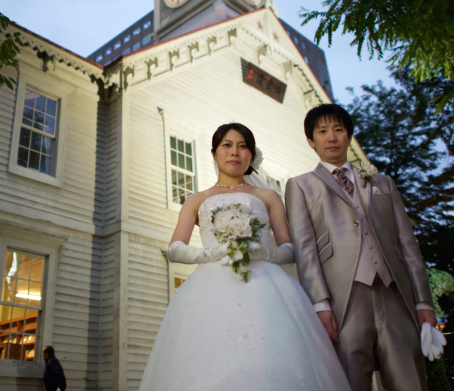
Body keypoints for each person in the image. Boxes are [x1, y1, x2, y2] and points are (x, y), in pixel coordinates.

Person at [139, 123, 351, 391]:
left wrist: (263, 251)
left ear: (251, 155)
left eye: (243, 147)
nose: (234, 153)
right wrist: (214, 252)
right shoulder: (196, 199)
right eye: (227, 145)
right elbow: (174, 249)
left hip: (266, 284)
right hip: (209, 288)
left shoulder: (268, 196)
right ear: (214, 152)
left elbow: (289, 250)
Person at [285, 103, 437, 391]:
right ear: (310, 141)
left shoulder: (383, 183)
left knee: (410, 379)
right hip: (343, 298)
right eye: (323, 131)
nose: (331, 137)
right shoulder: (301, 186)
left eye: (339, 130)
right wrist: (319, 304)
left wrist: (423, 301)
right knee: (349, 379)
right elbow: (305, 250)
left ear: (349, 136)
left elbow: (407, 243)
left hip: (395, 292)